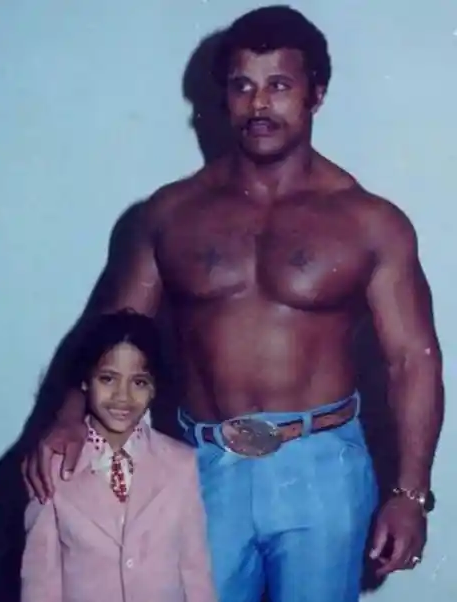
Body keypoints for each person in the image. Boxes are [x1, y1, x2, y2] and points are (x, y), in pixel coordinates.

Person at [24, 5, 444, 602]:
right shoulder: (171, 214)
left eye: (279, 85)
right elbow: (117, 331)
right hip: (201, 467)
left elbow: (414, 360)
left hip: (322, 469)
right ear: (223, 97)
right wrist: (68, 417)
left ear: (316, 95)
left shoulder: (370, 222)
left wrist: (410, 494)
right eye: (243, 86)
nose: (259, 104)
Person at [21, 310, 216, 602]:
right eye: (108, 379)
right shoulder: (50, 467)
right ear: (85, 381)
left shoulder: (181, 464)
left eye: (138, 382)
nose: (122, 396)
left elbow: (195, 571)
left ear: (154, 388)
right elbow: (41, 583)